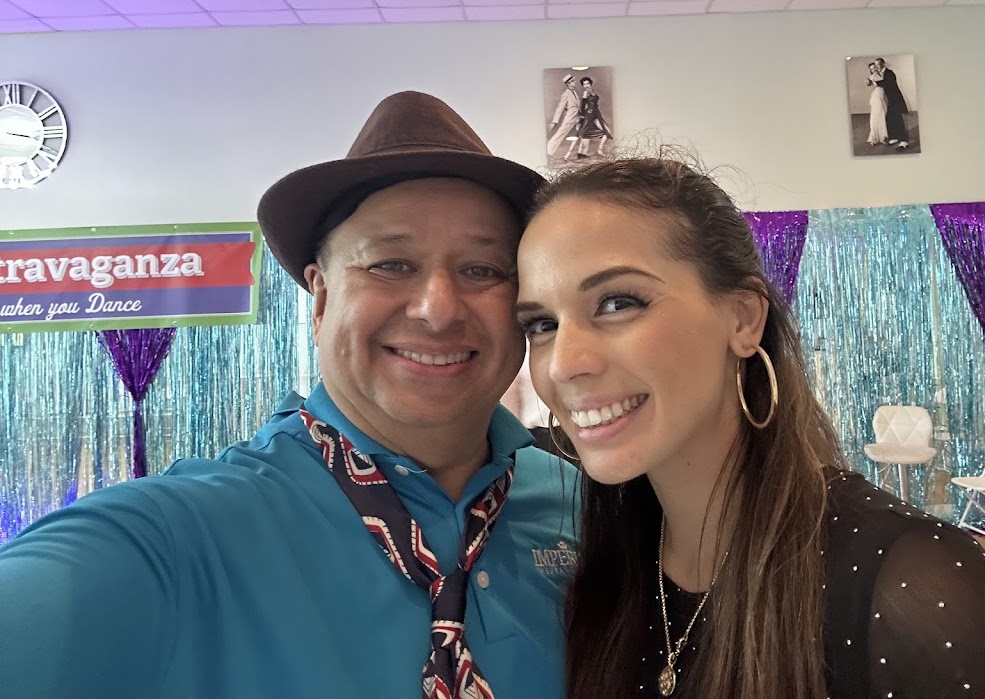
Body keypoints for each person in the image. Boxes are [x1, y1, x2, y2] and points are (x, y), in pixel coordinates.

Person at [0, 91, 579, 698]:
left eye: (483, 271)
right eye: (390, 264)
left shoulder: (579, 505)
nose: (438, 309)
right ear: (321, 298)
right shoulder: (178, 537)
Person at [514, 153, 985, 698]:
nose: (562, 364)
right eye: (541, 324)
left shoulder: (913, 589)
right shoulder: (601, 566)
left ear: (744, 319)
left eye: (617, 303)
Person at [874, 58, 910, 149]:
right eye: (876, 65)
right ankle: (894, 137)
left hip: (895, 99)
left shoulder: (889, 73)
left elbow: (887, 83)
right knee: (890, 118)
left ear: (883, 64)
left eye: (878, 65)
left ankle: (904, 141)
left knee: (898, 119)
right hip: (890, 99)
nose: (877, 67)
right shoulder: (881, 73)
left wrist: (875, 83)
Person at [547, 74, 582, 161]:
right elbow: (560, 108)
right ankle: (549, 152)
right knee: (560, 134)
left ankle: (577, 154)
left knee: (582, 133)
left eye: (574, 81)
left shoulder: (574, 92)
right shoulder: (566, 94)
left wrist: (580, 117)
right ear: (568, 84)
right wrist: (554, 121)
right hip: (569, 119)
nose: (575, 82)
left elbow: (577, 106)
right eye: (573, 81)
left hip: (576, 118)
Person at [576, 77, 613, 159]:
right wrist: (582, 117)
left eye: (587, 83)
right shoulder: (585, 93)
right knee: (585, 132)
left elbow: (595, 104)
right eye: (584, 84)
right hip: (589, 114)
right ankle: (582, 153)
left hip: (596, 114)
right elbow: (582, 106)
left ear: (591, 83)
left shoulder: (592, 91)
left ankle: (599, 150)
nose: (586, 85)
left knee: (607, 130)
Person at [866, 62, 889, 146]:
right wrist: (868, 81)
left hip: (882, 95)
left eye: (875, 67)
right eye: (872, 69)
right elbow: (870, 82)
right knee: (878, 116)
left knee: (883, 115)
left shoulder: (881, 74)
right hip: (877, 97)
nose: (874, 70)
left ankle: (883, 136)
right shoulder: (874, 76)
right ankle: (876, 138)